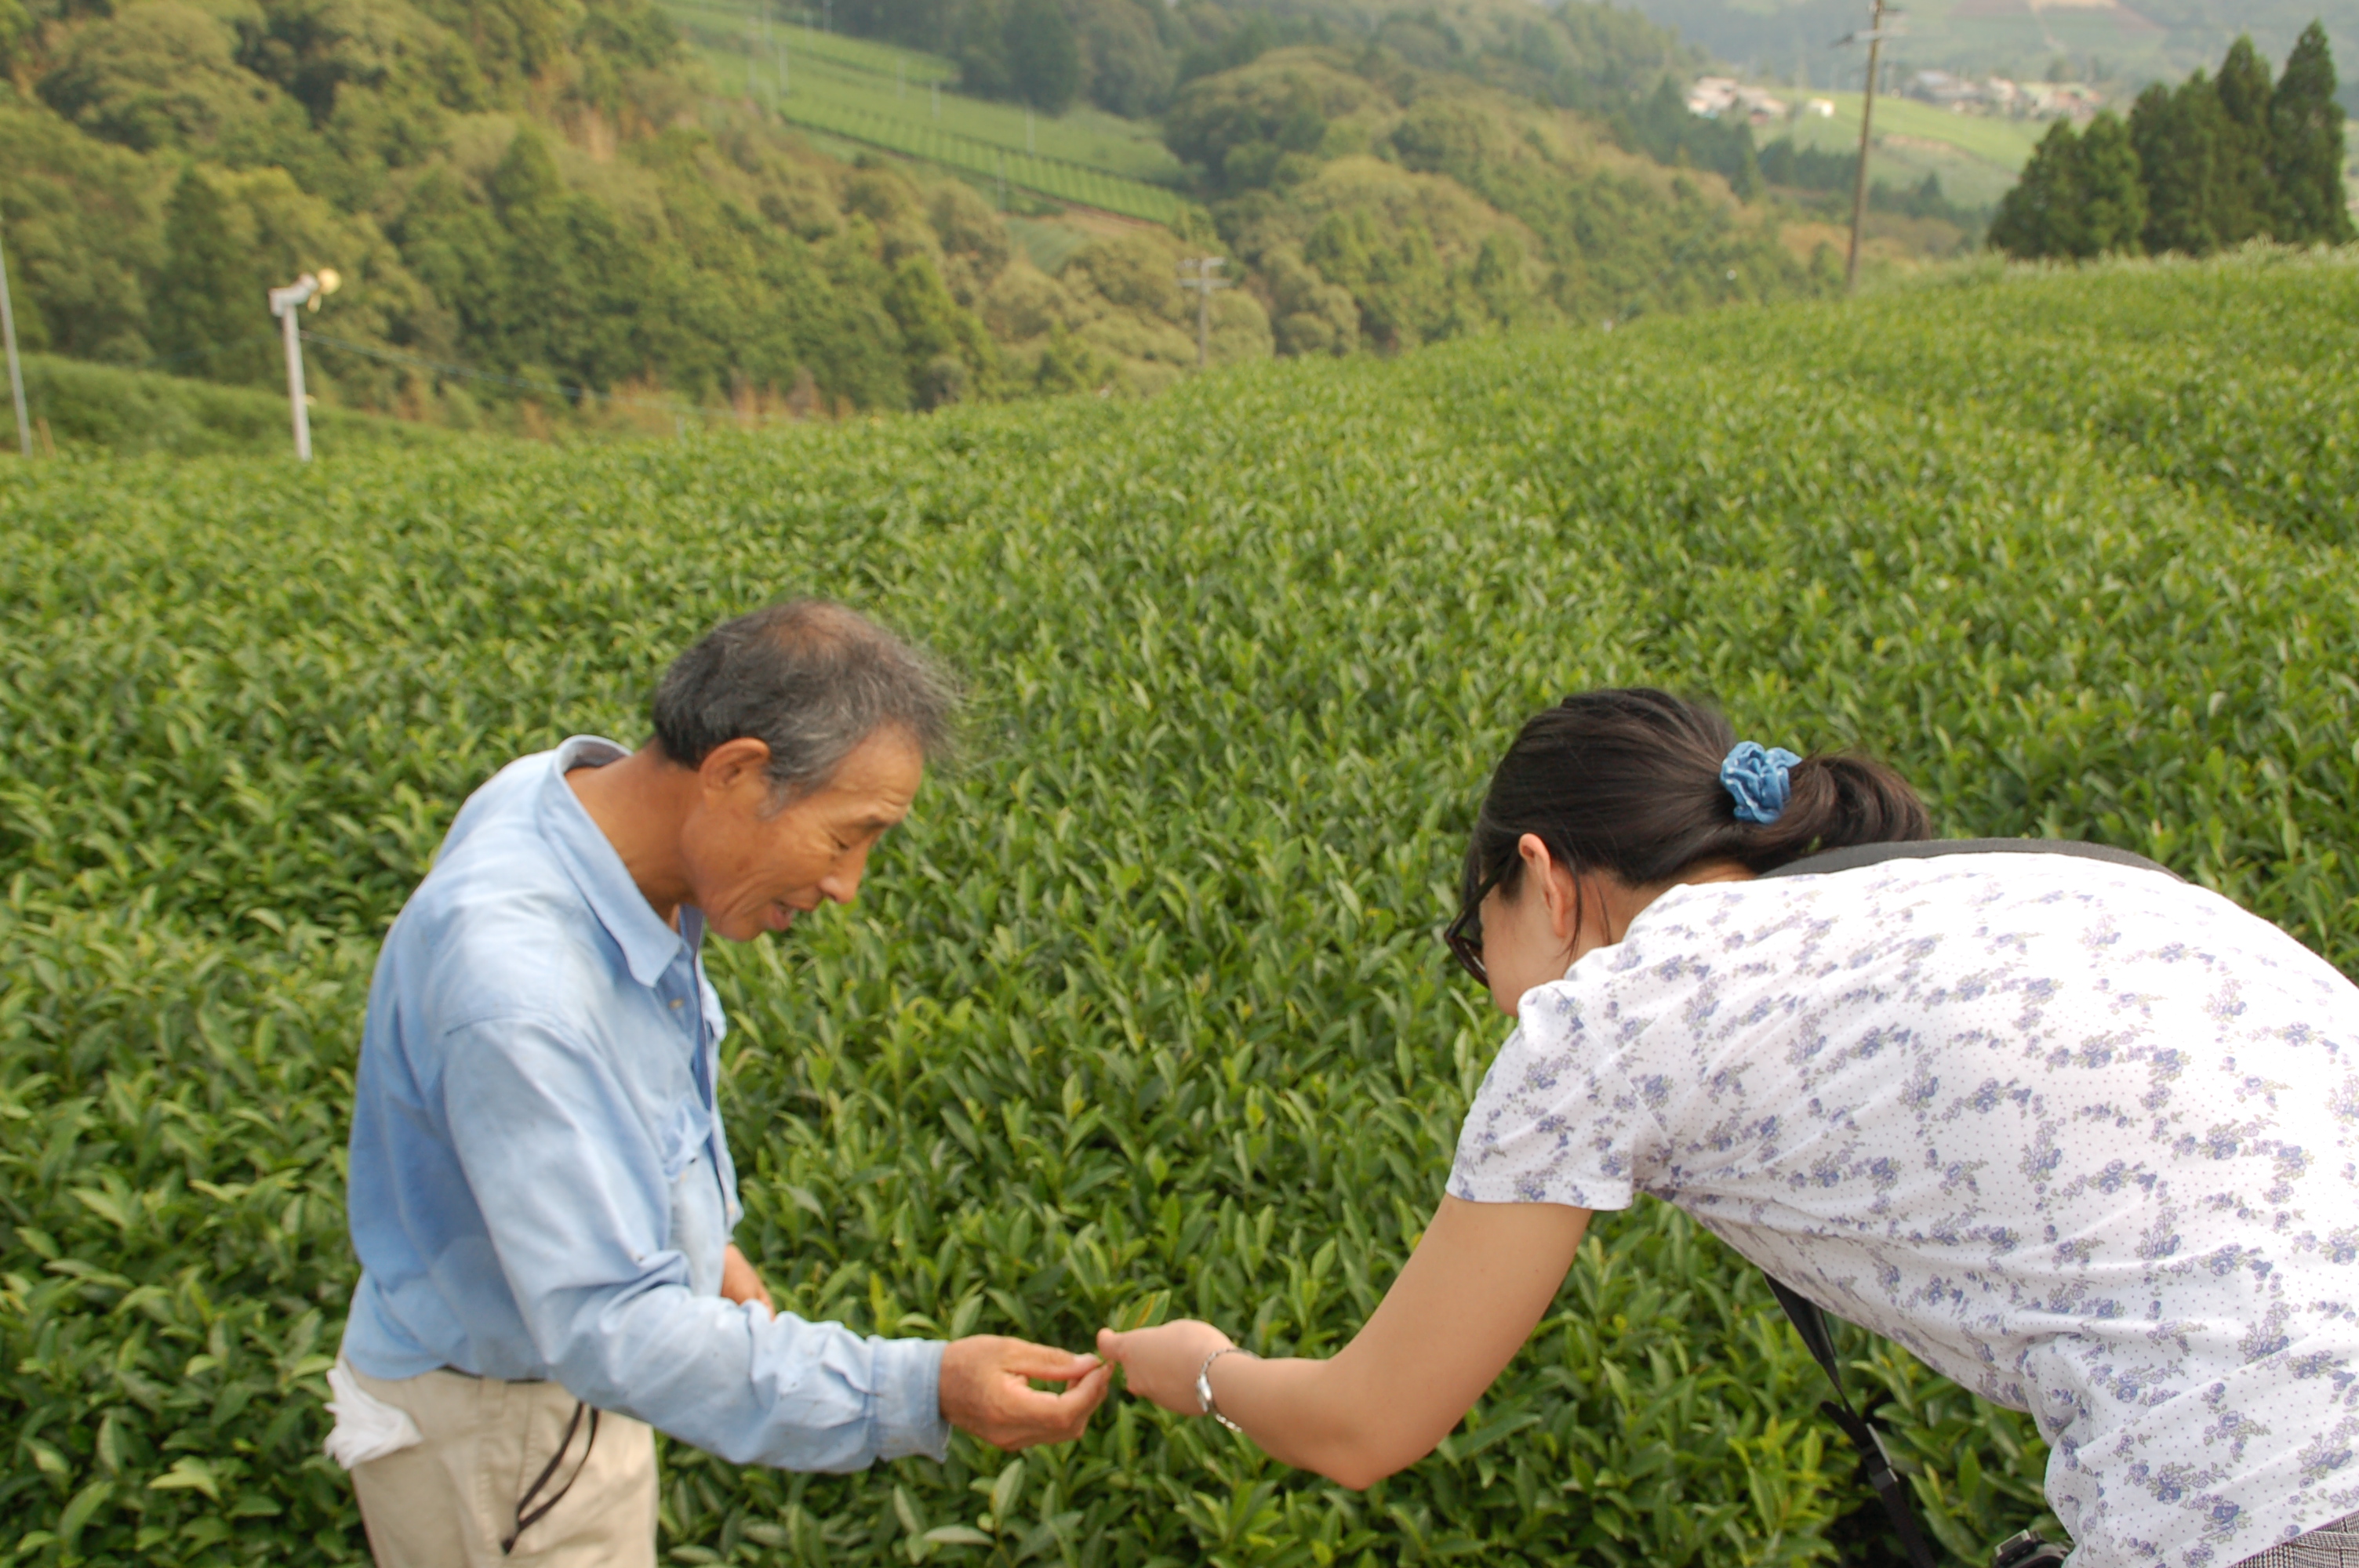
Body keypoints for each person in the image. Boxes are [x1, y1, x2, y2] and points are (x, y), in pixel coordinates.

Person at [1099, 688, 2359, 1568]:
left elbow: (1367, 1424)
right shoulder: (2028, 879)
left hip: (2271, 1491)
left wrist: (1202, 1368)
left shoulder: (1620, 1009)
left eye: (1471, 946)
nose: (1496, 995)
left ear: (1542, 880)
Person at [329, 601, 1109, 1566]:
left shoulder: (570, 805)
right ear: (734, 771)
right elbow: (608, 1323)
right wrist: (920, 1386)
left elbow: (604, 1109)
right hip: (505, 1440)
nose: (848, 885)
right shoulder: (520, 985)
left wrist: (702, 1242)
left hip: (540, 1389)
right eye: (847, 836)